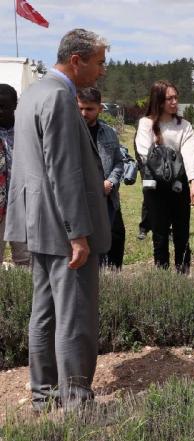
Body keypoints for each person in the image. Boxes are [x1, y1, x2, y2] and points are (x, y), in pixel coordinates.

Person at [4, 28, 111, 412]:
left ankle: (43, 395)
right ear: (77, 60)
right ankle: (77, 401)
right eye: (99, 63)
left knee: (44, 312)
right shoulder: (60, 98)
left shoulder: (33, 93)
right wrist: (78, 233)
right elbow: (64, 171)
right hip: (64, 229)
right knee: (75, 315)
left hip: (37, 224)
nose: (102, 71)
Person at [135, 80, 194, 273]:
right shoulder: (146, 124)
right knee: (160, 236)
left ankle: (183, 275)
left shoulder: (184, 125)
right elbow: (144, 154)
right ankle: (161, 277)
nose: (174, 102)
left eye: (175, 97)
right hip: (155, 188)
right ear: (158, 100)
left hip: (179, 187)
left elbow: (189, 156)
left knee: (182, 235)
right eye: (169, 98)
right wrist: (169, 160)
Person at [77, 87, 125, 269]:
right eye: (80, 108)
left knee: (110, 240)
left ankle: (107, 280)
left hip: (106, 199)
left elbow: (119, 162)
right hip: (80, 199)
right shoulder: (69, 133)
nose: (84, 113)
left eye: (89, 109)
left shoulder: (109, 132)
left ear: (99, 109)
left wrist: (111, 181)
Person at [0, 83, 30, 266]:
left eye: (3, 106)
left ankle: (25, 295)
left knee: (26, 260)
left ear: (15, 105)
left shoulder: (27, 132)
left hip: (23, 205)